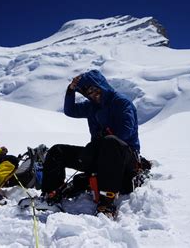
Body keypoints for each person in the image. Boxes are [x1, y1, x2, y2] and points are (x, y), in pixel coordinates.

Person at [41, 70, 145, 217]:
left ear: (101, 85)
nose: (93, 95)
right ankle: (50, 195)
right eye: (88, 93)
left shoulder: (121, 102)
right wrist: (70, 90)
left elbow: (125, 133)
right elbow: (70, 110)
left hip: (125, 159)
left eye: (95, 90)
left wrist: (102, 137)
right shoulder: (91, 106)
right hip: (99, 155)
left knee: (111, 142)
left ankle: (107, 203)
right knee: (58, 151)